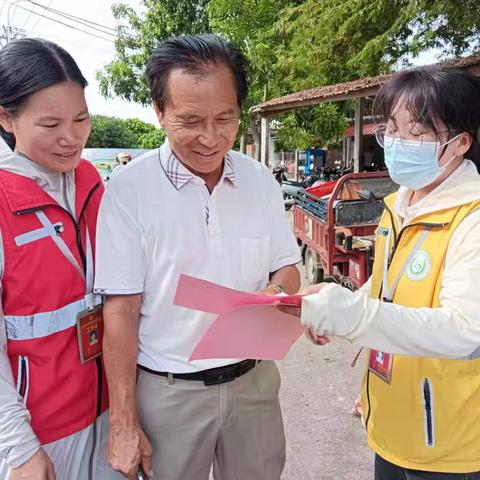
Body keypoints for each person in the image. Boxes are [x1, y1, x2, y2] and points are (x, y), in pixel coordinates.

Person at [94, 34, 301, 480]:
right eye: (190, 120)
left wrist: (275, 294)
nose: (211, 138)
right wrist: (124, 419)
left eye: (225, 118)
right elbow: (122, 310)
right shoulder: (129, 191)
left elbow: (287, 268)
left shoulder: (260, 181)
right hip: (169, 396)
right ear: (160, 111)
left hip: (254, 384)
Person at [287, 67, 480, 479]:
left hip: (450, 443)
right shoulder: (397, 206)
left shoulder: (472, 219)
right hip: (392, 422)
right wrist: (342, 308)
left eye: (418, 132)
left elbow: (467, 331)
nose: (398, 143)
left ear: (460, 142)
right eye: (392, 129)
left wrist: (355, 317)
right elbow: (387, 287)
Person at [0, 38, 122, 480]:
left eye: (81, 118)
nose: (72, 138)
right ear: (6, 117)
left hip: (109, 413)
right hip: (41, 433)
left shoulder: (90, 179)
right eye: (51, 124)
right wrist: (19, 449)